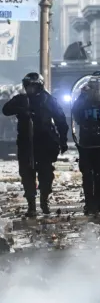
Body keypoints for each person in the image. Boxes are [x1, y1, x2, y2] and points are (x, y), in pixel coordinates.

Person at [2, 73, 69, 217]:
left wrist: (63, 140)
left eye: (33, 86)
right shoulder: (21, 99)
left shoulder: (48, 100)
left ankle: (44, 201)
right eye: (28, 86)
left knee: (45, 174)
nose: (30, 89)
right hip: (26, 143)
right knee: (27, 174)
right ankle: (31, 205)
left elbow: (61, 120)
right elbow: (5, 110)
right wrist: (21, 109)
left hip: (45, 143)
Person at [72, 72, 100, 216]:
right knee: (88, 174)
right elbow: (76, 115)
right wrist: (83, 97)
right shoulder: (82, 99)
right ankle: (90, 203)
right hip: (87, 142)